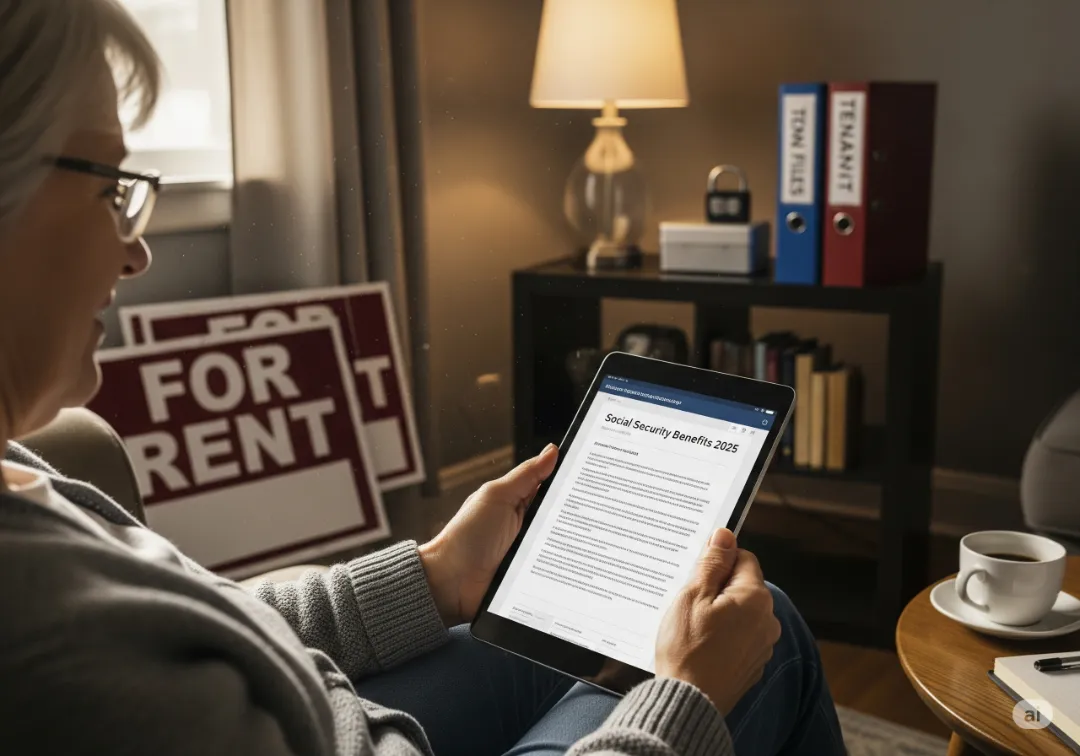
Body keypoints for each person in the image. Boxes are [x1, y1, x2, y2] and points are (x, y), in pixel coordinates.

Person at [0, 2, 846, 754]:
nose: (137, 249)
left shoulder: (25, 473)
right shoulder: (50, 643)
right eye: (112, 189)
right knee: (762, 642)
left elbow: (214, 624)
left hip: (327, 707)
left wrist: (436, 572)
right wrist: (686, 702)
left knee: (679, 621)